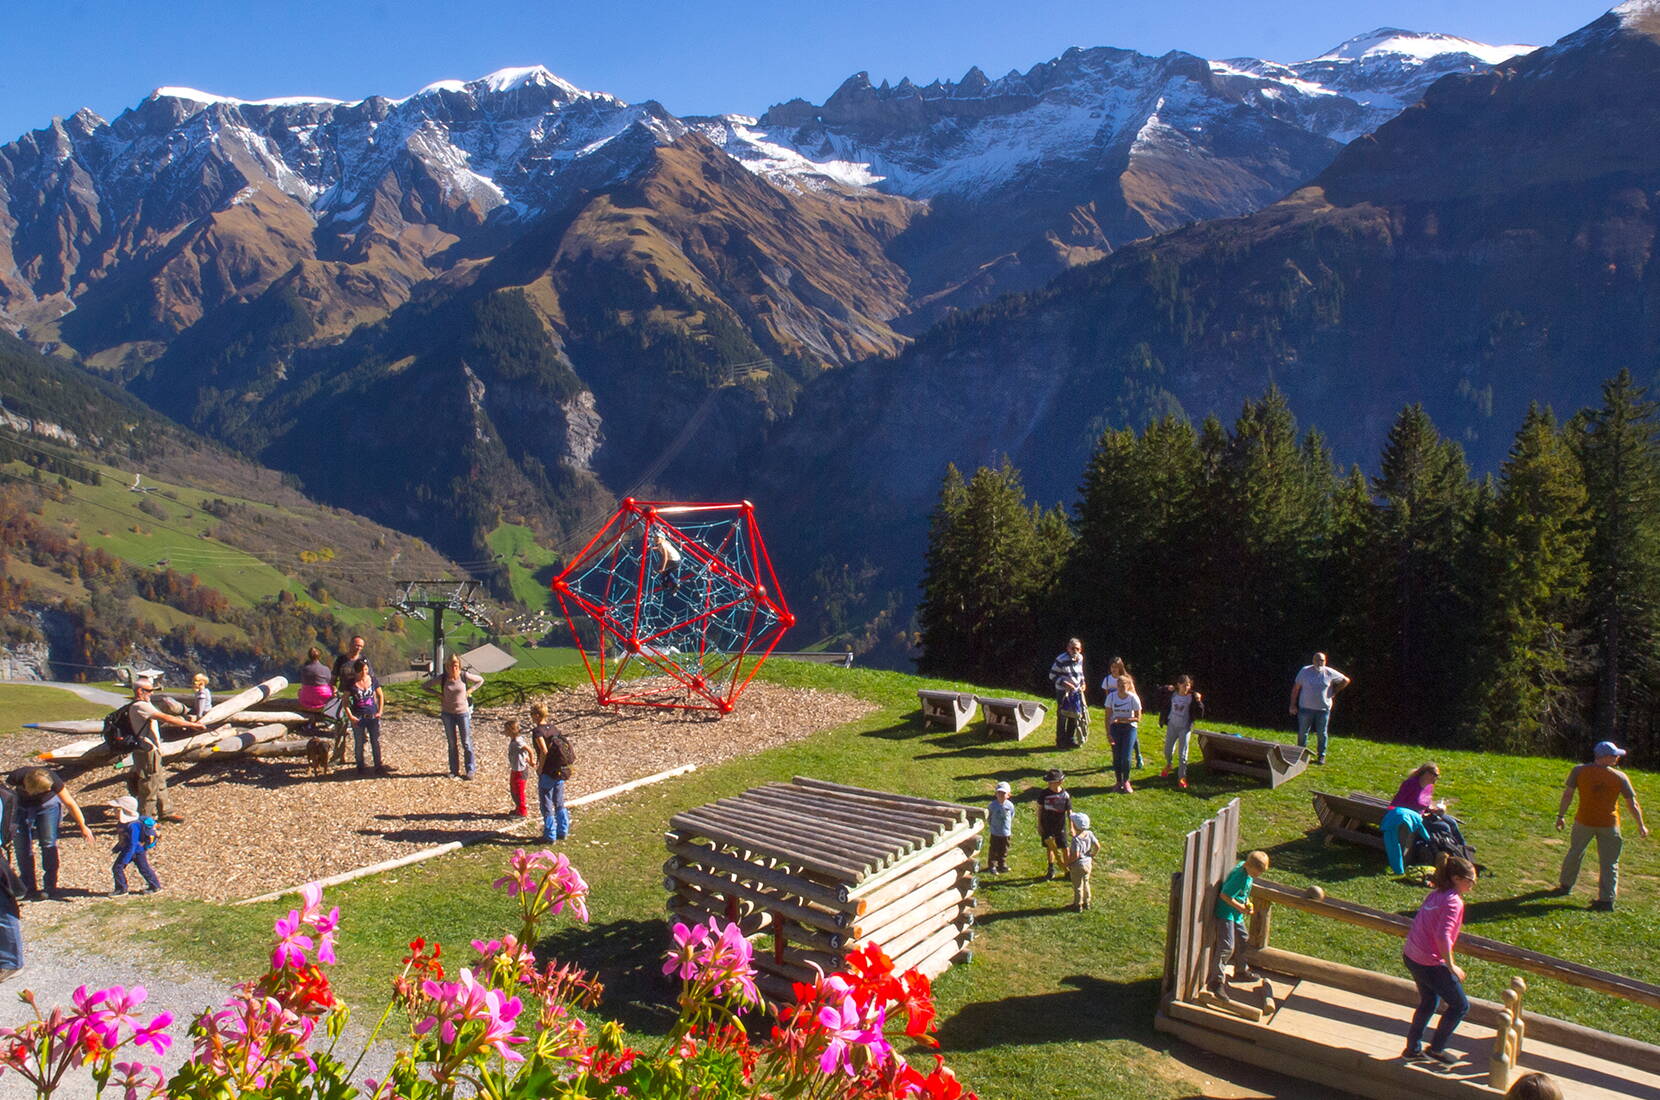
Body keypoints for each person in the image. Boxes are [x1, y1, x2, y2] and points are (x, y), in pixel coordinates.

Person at [1554, 740, 1648, 911]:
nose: (1617, 758)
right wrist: (1641, 825)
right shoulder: (1620, 777)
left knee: (1575, 852)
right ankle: (1606, 900)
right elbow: (1632, 804)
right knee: (1610, 862)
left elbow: (1568, 795)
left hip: (1583, 821)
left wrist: (1561, 816)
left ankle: (1565, 886)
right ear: (1605, 757)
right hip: (1609, 825)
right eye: (1614, 756)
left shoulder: (1579, 771)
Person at [1401, 855, 1477, 1064]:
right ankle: (1436, 1050)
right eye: (1469, 880)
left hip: (1412, 955)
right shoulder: (1453, 902)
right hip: (1429, 962)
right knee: (1460, 1006)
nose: (1473, 885)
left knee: (1429, 1001)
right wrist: (1451, 966)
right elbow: (1442, 936)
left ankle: (1412, 1049)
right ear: (1455, 878)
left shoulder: (1436, 894)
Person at [3, 766, 95, 900]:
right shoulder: (16, 777)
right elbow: (5, 798)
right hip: (21, 807)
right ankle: (27, 886)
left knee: (48, 843)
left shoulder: (54, 781)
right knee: (22, 847)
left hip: (48, 807)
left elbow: (70, 803)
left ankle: (50, 886)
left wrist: (83, 826)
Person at [125, 676, 205, 824]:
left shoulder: (143, 704)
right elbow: (165, 717)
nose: (152, 693)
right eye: (149, 691)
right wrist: (191, 725)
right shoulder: (140, 706)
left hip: (152, 749)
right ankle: (145, 820)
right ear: (139, 691)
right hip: (146, 751)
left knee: (159, 780)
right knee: (149, 785)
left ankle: (165, 811)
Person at [1207, 850, 1270, 1004]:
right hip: (1226, 914)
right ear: (1249, 866)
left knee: (1243, 939)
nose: (1258, 875)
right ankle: (1216, 982)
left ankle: (1241, 970)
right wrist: (1241, 908)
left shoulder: (1246, 871)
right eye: (1258, 872)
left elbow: (1243, 892)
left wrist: (1247, 903)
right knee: (1227, 947)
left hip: (1236, 914)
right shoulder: (1239, 877)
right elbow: (1224, 895)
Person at [423, 654, 483, 780]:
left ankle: (470, 769)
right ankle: (454, 770)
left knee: (466, 742)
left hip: (463, 713)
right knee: (452, 743)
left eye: (455, 664)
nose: (453, 667)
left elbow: (480, 680)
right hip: (447, 714)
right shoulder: (443, 678)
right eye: (450, 665)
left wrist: (470, 690)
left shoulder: (464, 676)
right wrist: (438, 694)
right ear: (447, 666)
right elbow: (425, 686)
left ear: (459, 665)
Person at [1289, 652, 1351, 765]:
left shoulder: (1329, 672)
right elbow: (1296, 688)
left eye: (1322, 660)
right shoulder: (1305, 671)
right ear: (1313, 661)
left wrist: (1335, 691)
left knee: (1322, 733)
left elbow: (1346, 680)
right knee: (1303, 732)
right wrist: (1292, 705)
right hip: (1305, 708)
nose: (1320, 662)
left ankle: (1321, 756)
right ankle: (1300, 754)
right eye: (1317, 660)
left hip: (1323, 710)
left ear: (1325, 661)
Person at [530, 703, 573, 841]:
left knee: (546, 803)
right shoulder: (554, 729)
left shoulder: (538, 731)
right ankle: (563, 830)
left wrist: (540, 768)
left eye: (532, 713)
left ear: (537, 715)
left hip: (548, 771)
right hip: (559, 770)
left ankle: (550, 834)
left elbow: (544, 750)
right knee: (559, 802)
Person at [1158, 675, 1205, 789]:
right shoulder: (1172, 694)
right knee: (1167, 750)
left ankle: (1181, 777)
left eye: (1188, 685)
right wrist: (1166, 687)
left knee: (1183, 754)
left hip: (1185, 728)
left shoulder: (1192, 697)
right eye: (1183, 685)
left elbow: (1201, 714)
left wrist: (1199, 701)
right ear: (1178, 685)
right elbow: (1158, 691)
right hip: (1172, 726)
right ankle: (1169, 765)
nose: (1186, 688)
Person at [109, 795, 160, 896]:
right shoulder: (124, 823)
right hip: (135, 850)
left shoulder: (133, 825)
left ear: (123, 811)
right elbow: (124, 839)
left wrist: (126, 858)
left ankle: (121, 889)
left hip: (133, 851)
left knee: (117, 868)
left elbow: (132, 842)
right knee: (144, 868)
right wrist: (117, 848)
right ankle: (155, 886)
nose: (114, 811)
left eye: (116, 809)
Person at [343, 659, 385, 774]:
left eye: (366, 670)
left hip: (372, 715)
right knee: (359, 742)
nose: (364, 673)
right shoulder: (350, 683)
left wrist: (380, 711)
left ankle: (378, 765)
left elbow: (381, 695)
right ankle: (360, 766)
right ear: (356, 671)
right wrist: (350, 716)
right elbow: (345, 701)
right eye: (361, 671)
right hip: (358, 716)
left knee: (375, 741)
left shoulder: (373, 680)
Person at [1099, 657, 1140, 766]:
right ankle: (1116, 759)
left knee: (1132, 736)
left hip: (1128, 711)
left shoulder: (1126, 679)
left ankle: (1138, 755)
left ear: (1120, 668)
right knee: (1115, 733)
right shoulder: (1107, 680)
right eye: (1112, 667)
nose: (1114, 670)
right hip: (1114, 709)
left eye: (1116, 667)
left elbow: (1134, 694)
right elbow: (1107, 694)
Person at [1106, 674, 1142, 794]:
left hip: (1129, 728)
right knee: (1116, 756)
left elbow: (1138, 718)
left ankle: (1126, 781)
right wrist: (1108, 733)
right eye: (1119, 686)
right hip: (1115, 728)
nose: (1121, 688)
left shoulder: (1133, 698)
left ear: (1128, 686)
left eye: (1124, 686)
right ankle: (1118, 781)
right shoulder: (1111, 697)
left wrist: (1123, 720)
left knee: (1126, 757)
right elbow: (1107, 716)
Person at [1049, 638, 1088, 749]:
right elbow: (1052, 675)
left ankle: (1070, 740)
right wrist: (1065, 683)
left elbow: (1080, 673)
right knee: (1062, 716)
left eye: (1077, 648)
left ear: (1080, 650)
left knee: (1074, 715)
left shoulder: (1080, 658)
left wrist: (1083, 683)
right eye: (1072, 648)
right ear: (1068, 648)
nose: (1075, 650)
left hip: (1076, 691)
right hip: (1063, 692)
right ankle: (1060, 741)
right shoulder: (1061, 659)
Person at [1036, 768, 1072, 880]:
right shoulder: (1044, 794)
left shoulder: (1065, 795)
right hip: (1047, 825)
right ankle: (1051, 868)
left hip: (1060, 826)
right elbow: (1040, 809)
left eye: (1052, 782)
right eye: (1049, 782)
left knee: (1065, 847)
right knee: (1050, 847)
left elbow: (1069, 812)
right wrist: (1039, 825)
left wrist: (1072, 826)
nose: (1049, 784)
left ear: (1060, 782)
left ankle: (1068, 869)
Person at [1381, 804, 1433, 875]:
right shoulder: (1417, 816)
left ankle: (1398, 870)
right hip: (1403, 821)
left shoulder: (1411, 813)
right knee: (1398, 847)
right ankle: (1399, 870)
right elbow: (1422, 830)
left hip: (1393, 820)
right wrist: (1429, 840)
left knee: (1393, 847)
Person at [1065, 811, 1099, 912]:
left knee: (1078, 886)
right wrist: (1092, 855)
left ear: (1075, 826)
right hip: (1088, 863)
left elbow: (1076, 854)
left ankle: (1078, 905)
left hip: (1078, 865)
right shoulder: (1090, 834)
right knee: (1086, 882)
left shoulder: (1076, 840)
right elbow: (1097, 846)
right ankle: (1087, 902)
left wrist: (1069, 863)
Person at [985, 781, 1014, 874]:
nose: (1001, 795)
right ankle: (992, 865)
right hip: (995, 832)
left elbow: (1012, 815)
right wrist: (992, 826)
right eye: (999, 793)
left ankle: (1002, 864)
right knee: (994, 849)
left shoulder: (1009, 805)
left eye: (1003, 793)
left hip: (1006, 832)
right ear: (995, 794)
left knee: (1004, 849)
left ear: (1008, 795)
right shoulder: (992, 806)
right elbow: (989, 817)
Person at [505, 719, 531, 817]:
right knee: (514, 789)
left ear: (511, 731)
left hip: (520, 770)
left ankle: (522, 812)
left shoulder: (518, 742)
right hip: (515, 768)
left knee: (519, 791)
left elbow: (529, 750)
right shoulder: (514, 740)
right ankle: (518, 808)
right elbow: (524, 753)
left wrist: (531, 761)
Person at [297, 646, 335, 710]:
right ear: (320, 656)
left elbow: (303, 683)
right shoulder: (326, 669)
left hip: (307, 697)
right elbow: (329, 682)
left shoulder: (304, 669)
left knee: (300, 691)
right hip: (323, 697)